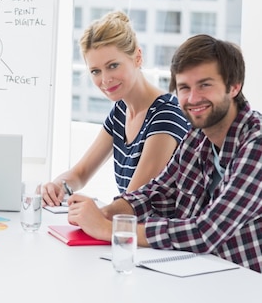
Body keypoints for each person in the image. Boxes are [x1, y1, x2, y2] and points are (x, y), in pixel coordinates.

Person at [67, 34, 262, 273]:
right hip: (199, 275)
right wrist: (106, 213)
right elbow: (157, 192)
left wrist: (110, 229)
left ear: (234, 86)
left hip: (247, 288)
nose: (192, 98)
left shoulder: (257, 144)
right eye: (184, 88)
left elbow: (206, 232)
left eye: (205, 85)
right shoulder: (196, 137)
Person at [40, 11, 189, 205]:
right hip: (128, 228)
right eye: (95, 71)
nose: (105, 80)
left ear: (137, 57)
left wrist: (90, 212)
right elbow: (81, 173)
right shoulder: (121, 111)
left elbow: (131, 201)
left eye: (113, 66)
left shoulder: (168, 115)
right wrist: (58, 186)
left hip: (156, 233)